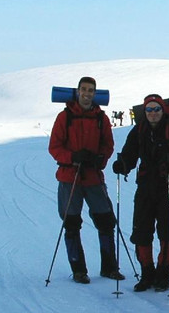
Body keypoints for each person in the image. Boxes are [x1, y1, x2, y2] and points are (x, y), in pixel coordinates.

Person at [112, 94, 169, 291]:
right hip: (146, 186)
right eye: (149, 109)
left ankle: (163, 273)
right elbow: (130, 153)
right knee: (141, 230)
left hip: (168, 185)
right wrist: (123, 165)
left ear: (162, 110)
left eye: (156, 109)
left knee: (166, 231)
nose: (153, 113)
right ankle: (147, 273)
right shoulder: (139, 130)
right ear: (145, 112)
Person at [47, 76, 123, 284]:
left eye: (91, 90)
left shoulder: (102, 118)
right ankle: (79, 270)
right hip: (69, 177)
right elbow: (54, 147)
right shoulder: (65, 117)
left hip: (93, 176)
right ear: (78, 91)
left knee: (106, 221)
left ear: (95, 93)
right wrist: (72, 157)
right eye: (84, 89)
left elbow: (108, 144)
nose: (87, 93)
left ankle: (109, 268)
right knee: (71, 223)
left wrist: (100, 159)